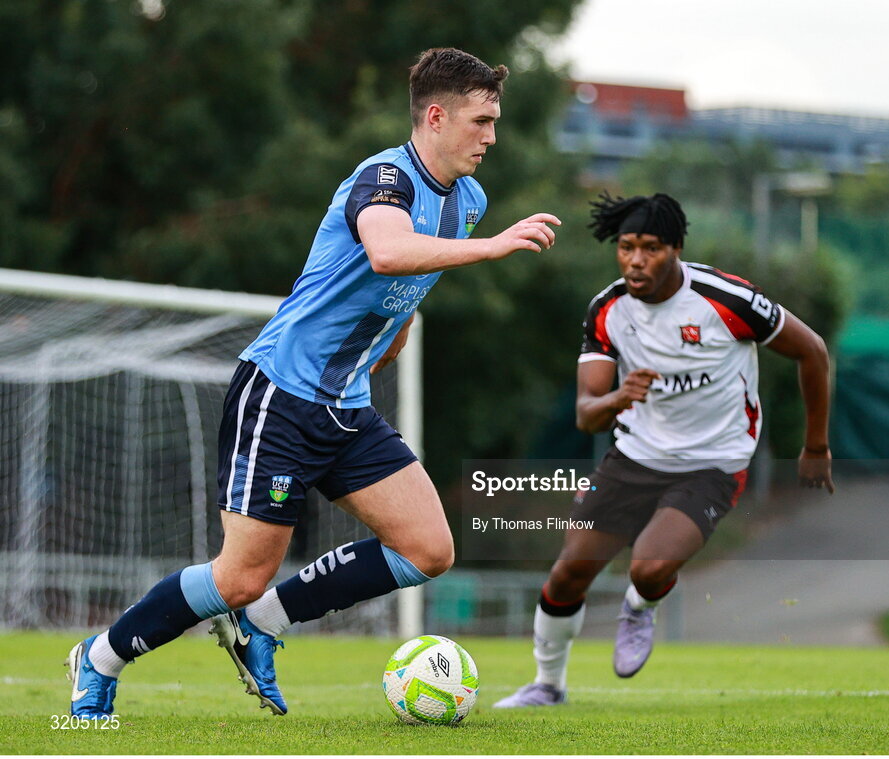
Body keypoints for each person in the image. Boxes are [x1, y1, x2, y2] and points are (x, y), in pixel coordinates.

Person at [66, 47, 560, 718]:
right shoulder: (384, 176)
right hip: (280, 396)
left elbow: (404, 282)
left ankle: (265, 621)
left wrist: (399, 331)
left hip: (346, 407)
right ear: (437, 117)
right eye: (481, 121)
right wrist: (494, 246)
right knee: (238, 575)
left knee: (429, 548)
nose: (491, 137)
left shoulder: (467, 200)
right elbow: (387, 249)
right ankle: (99, 656)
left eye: (495, 121)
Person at [494, 192, 833, 708]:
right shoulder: (608, 310)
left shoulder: (726, 299)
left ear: (676, 248)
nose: (635, 260)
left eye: (650, 248)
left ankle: (640, 605)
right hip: (634, 458)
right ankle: (547, 685)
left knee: (649, 568)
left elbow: (812, 351)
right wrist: (618, 397)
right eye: (626, 247)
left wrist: (815, 445)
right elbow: (587, 414)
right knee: (569, 572)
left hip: (714, 462)